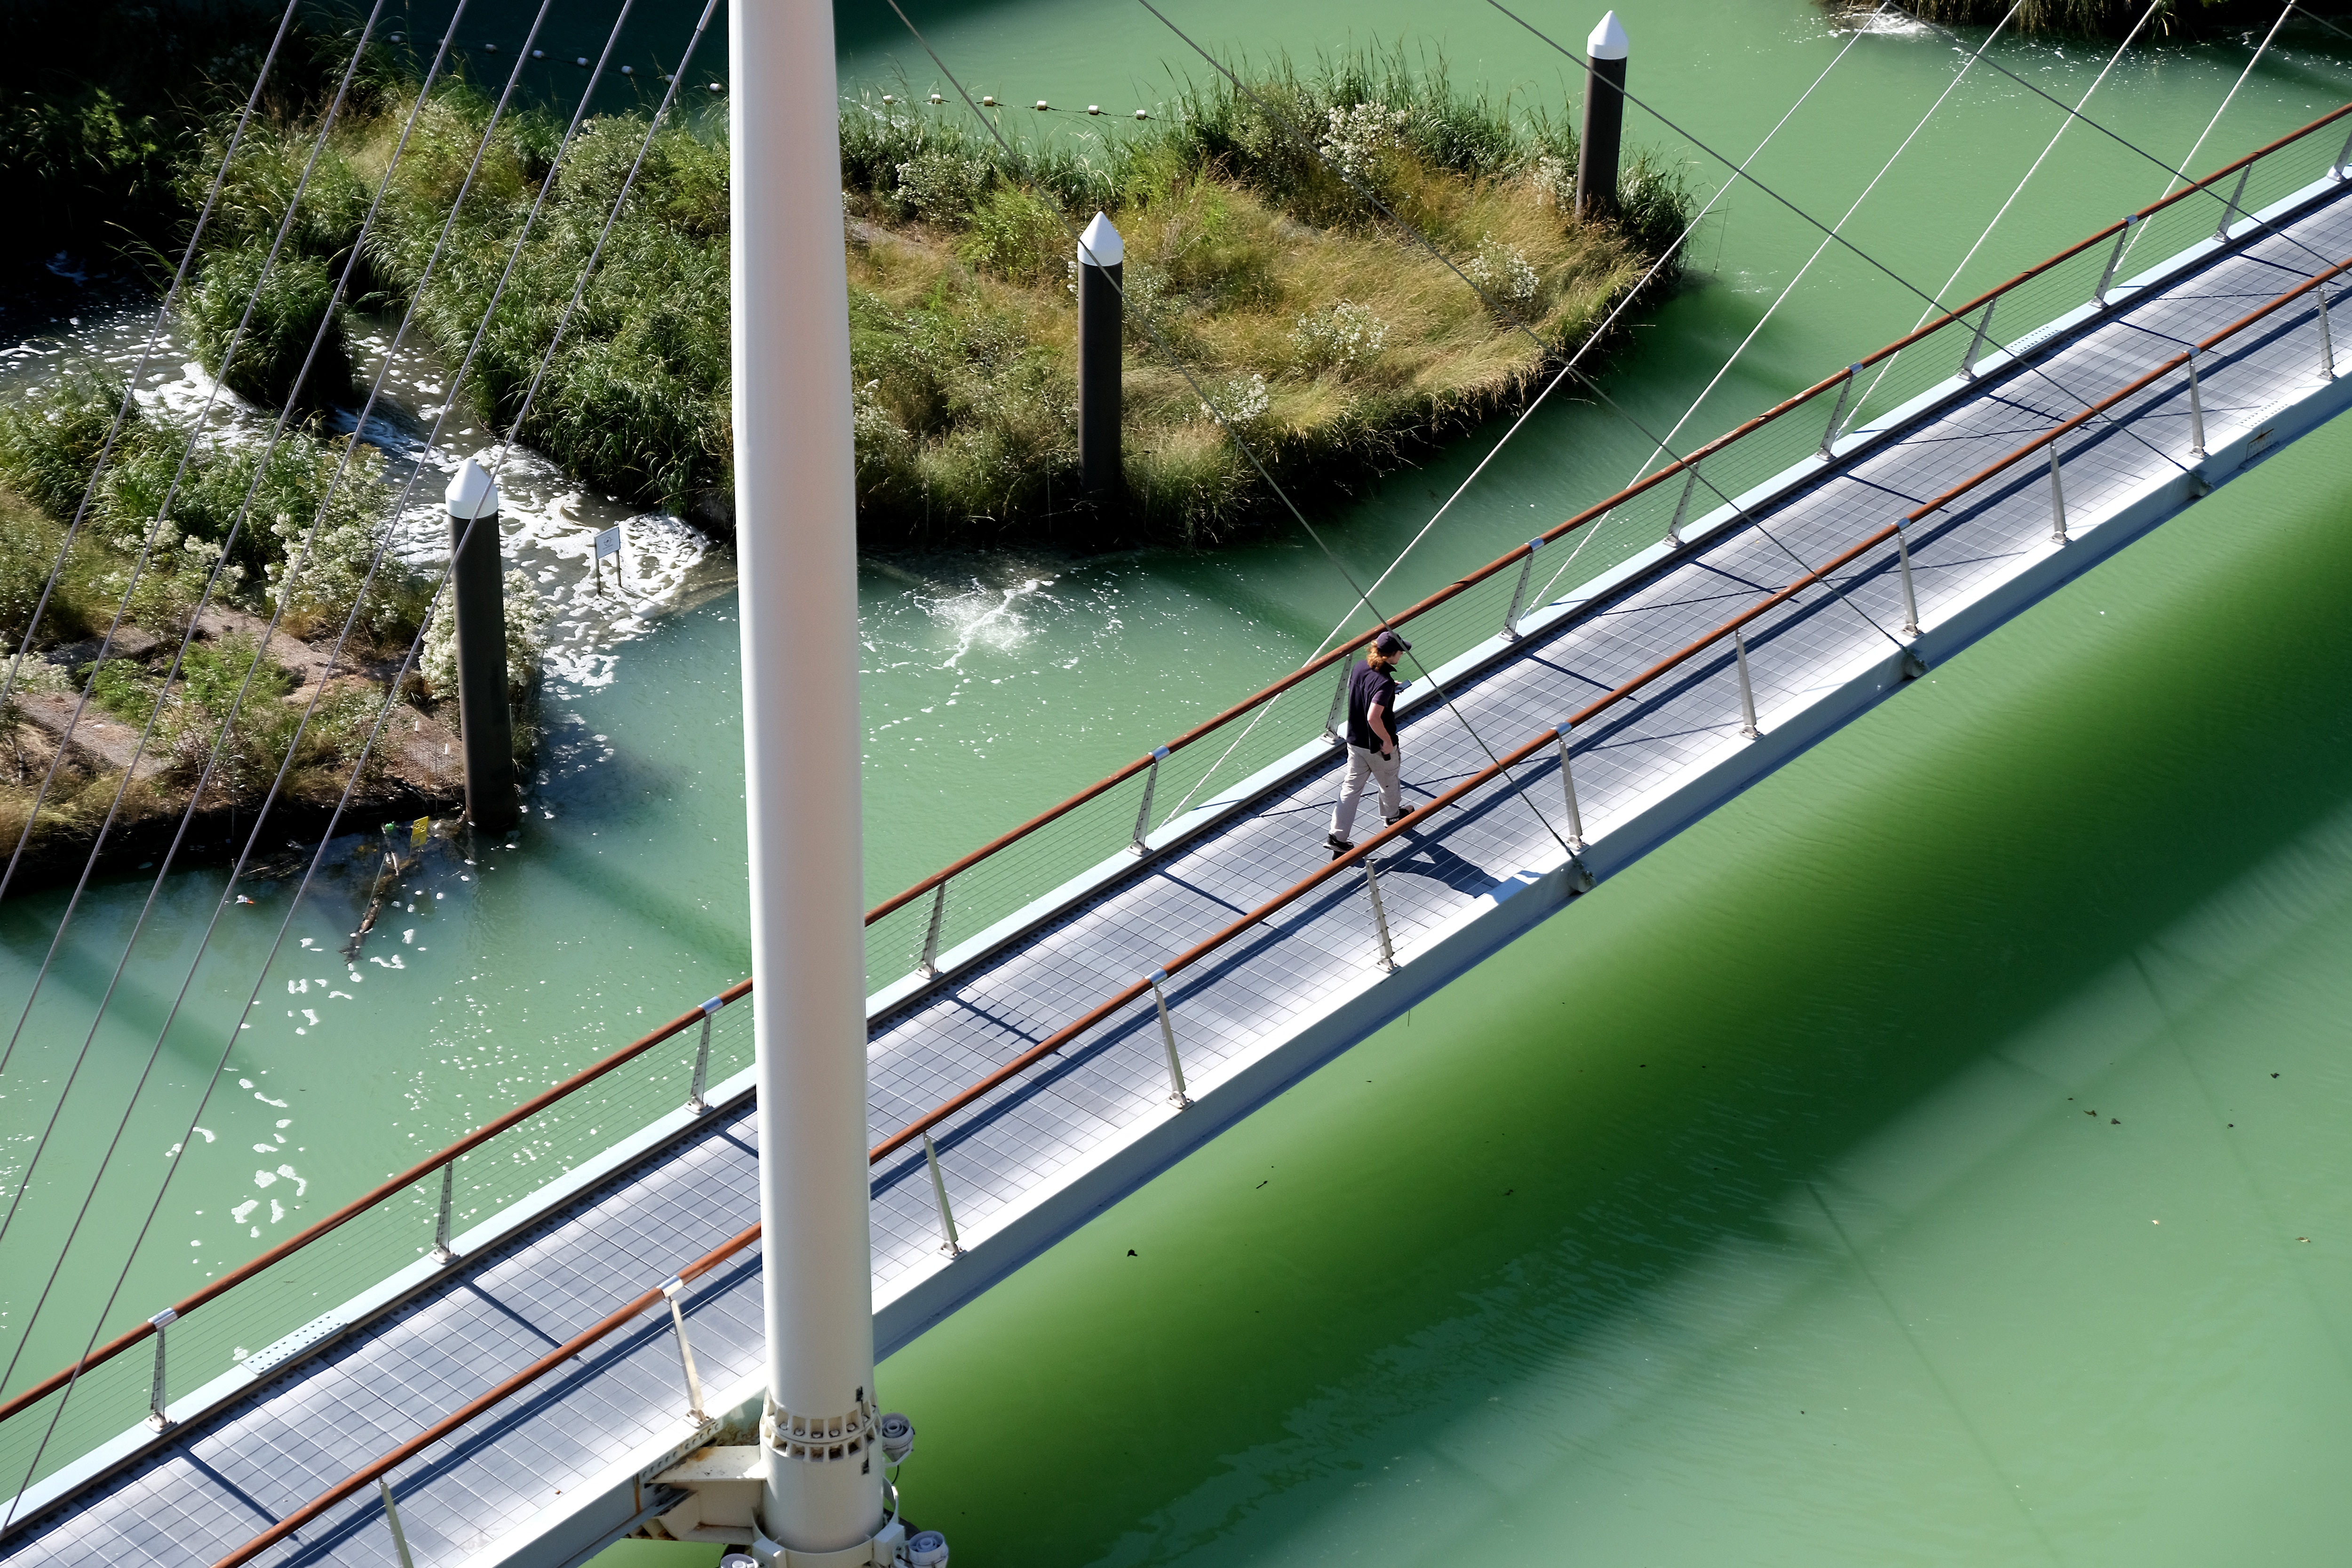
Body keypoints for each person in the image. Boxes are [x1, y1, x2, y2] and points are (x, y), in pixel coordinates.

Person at [1327, 629, 1411, 858]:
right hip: (1377, 746)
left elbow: (1362, 690)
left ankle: (1337, 836)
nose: (1402, 655)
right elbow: (1373, 717)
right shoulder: (1383, 683)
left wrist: (1386, 688)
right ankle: (1392, 816)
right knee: (1388, 780)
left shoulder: (1360, 668)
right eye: (1400, 652)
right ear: (1391, 654)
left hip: (1355, 741)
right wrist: (1385, 740)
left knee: (1351, 788)